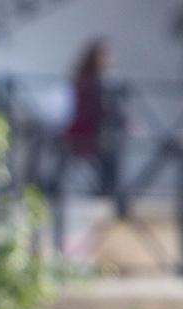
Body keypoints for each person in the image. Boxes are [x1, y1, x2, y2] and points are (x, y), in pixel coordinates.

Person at [64, 39, 122, 200]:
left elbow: (113, 111)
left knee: (112, 147)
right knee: (108, 148)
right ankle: (107, 192)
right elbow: (86, 111)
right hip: (83, 133)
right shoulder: (84, 82)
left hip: (100, 133)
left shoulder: (107, 82)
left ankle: (109, 193)